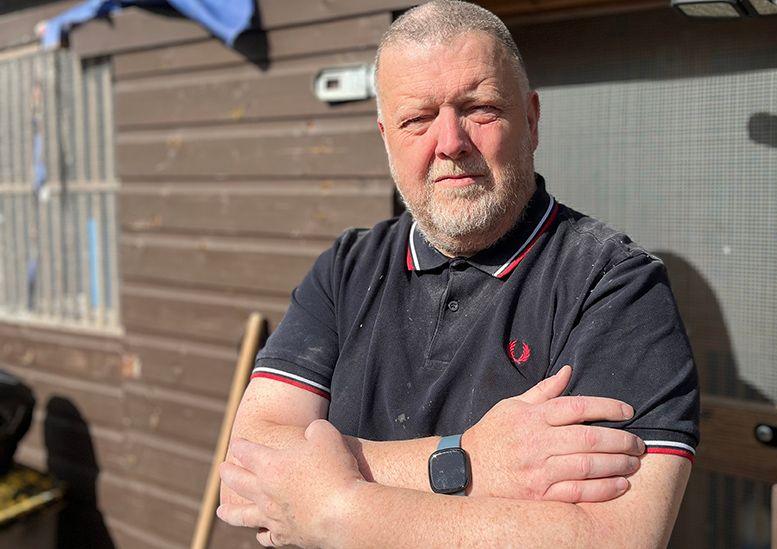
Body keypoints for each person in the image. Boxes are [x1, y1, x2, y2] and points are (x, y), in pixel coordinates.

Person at [216, 1, 699, 547]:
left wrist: (337, 510)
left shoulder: (615, 287)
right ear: (385, 136)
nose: (450, 142)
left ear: (533, 119)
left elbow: (615, 538)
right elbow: (248, 468)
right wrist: (462, 460)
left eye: (480, 108)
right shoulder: (345, 269)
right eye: (417, 119)